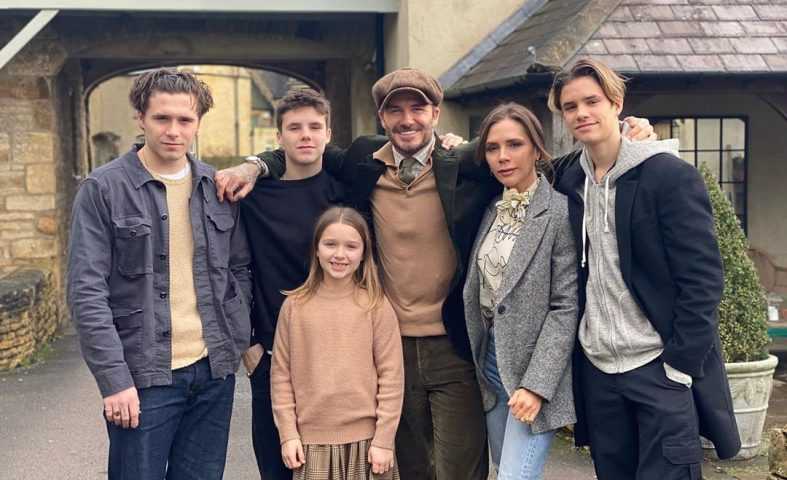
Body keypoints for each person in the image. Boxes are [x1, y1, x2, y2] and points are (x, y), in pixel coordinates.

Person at [548, 58, 741, 479]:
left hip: (658, 366)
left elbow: (703, 279)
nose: (581, 113)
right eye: (570, 106)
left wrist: (680, 365)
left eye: (592, 101)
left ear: (616, 103)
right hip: (599, 371)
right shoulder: (567, 180)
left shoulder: (668, 176)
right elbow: (510, 158)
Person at [67, 68, 252, 479]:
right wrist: (114, 380)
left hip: (212, 372)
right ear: (141, 118)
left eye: (185, 120)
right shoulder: (104, 189)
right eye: (161, 118)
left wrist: (237, 336)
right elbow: (86, 291)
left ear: (198, 122)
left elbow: (238, 268)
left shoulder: (216, 187)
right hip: (142, 378)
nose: (173, 131)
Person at [463, 103, 578, 479]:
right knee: (508, 470)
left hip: (533, 370)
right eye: (492, 148)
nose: (502, 156)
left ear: (536, 149)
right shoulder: (491, 208)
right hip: (491, 364)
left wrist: (537, 385)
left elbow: (565, 307)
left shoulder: (559, 213)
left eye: (514, 144)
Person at [240, 88, 343, 480]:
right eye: (295, 127)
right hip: (271, 353)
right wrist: (247, 344)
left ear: (328, 134)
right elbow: (230, 270)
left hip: (337, 352)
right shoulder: (252, 196)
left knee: (334, 468)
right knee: (277, 467)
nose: (305, 135)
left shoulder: (346, 192)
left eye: (315, 127)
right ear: (279, 136)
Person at [270, 206, 404, 480]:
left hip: (368, 445)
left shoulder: (376, 306)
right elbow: (281, 376)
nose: (340, 254)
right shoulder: (294, 307)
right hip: (311, 445)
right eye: (330, 244)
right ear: (316, 250)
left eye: (351, 246)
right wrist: (288, 434)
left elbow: (392, 376)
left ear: (364, 253)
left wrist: (384, 440)